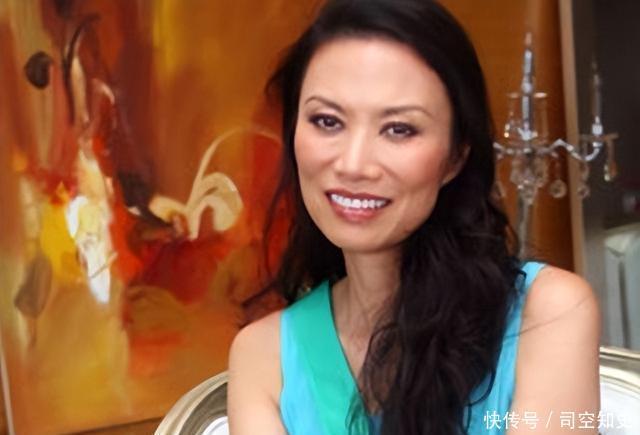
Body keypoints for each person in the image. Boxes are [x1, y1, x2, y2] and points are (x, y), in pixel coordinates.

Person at [227, 1, 601, 434]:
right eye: (327, 121)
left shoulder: (548, 313)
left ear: (456, 155)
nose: (353, 164)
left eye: (399, 129)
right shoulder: (263, 355)